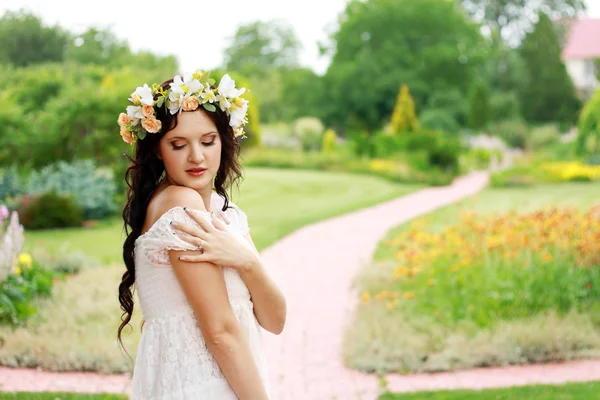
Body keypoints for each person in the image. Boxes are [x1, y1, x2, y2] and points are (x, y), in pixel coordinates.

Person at [117, 70, 286, 399]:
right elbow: (221, 333)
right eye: (178, 145)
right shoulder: (180, 205)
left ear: (224, 140)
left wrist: (247, 261)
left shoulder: (228, 214)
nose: (197, 156)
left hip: (234, 382)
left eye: (208, 141)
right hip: (199, 386)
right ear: (157, 150)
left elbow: (275, 319)